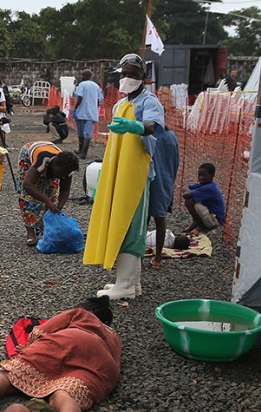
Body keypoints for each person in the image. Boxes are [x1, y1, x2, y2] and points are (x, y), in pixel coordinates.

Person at [83, 53, 165, 300]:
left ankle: (126, 284)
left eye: (133, 74)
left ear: (143, 77)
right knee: (118, 220)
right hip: (118, 172)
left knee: (132, 226)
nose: (128, 78)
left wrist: (136, 127)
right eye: (125, 74)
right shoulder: (119, 105)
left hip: (137, 176)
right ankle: (129, 283)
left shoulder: (149, 101)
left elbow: (153, 125)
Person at [17, 141, 80, 247]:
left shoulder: (67, 168)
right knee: (28, 197)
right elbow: (27, 185)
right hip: (29, 153)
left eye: (65, 175)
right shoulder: (43, 159)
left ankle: (45, 227)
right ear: (55, 164)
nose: (63, 177)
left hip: (50, 155)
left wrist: (58, 207)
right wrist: (46, 200)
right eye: (61, 174)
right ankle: (30, 231)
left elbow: (64, 190)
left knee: (52, 195)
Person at [148, 120, 180, 269]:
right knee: (160, 219)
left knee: (143, 221)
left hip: (150, 182)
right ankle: (158, 257)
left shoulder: (150, 137)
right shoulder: (171, 136)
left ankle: (138, 255)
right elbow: (176, 162)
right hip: (166, 182)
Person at [181, 162, 226, 235]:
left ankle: (200, 225)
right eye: (199, 175)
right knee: (191, 199)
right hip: (211, 215)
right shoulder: (203, 185)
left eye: (204, 175)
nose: (201, 177)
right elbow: (184, 187)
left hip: (215, 220)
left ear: (212, 175)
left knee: (189, 202)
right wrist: (189, 192)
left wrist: (190, 193)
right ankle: (197, 223)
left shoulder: (210, 188)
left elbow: (186, 195)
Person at [71, 68, 104, 160]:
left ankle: (82, 151)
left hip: (81, 112)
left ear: (84, 76)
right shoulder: (96, 86)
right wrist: (95, 109)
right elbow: (98, 99)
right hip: (91, 114)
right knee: (87, 133)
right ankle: (83, 152)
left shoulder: (82, 85)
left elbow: (80, 97)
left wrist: (76, 108)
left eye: (82, 75)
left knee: (81, 132)